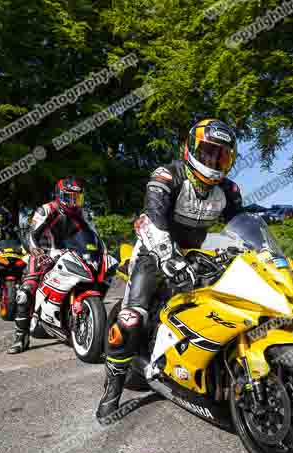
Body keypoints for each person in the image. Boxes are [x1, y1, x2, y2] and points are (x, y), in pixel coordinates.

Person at [95, 118, 244, 422]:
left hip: (195, 255)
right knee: (131, 319)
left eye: (221, 155)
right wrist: (168, 257)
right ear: (190, 149)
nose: (214, 160)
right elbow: (153, 218)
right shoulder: (167, 175)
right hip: (153, 252)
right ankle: (110, 395)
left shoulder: (228, 189)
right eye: (208, 152)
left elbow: (241, 227)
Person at [8, 177, 90, 354]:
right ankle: (20, 336)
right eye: (70, 197)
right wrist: (38, 254)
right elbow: (31, 236)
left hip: (70, 253)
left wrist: (101, 251)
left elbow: (93, 236)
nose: (74, 202)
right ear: (59, 196)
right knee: (24, 293)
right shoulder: (46, 210)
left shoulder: (82, 214)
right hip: (43, 253)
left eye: (78, 198)